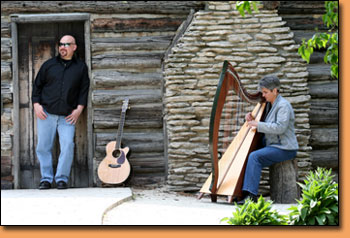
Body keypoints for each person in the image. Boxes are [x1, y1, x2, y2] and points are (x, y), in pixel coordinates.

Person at [32, 35, 90, 189]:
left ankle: (61, 179)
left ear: (74, 47)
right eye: (61, 44)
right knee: (43, 147)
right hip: (46, 113)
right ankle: (46, 179)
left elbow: (84, 91)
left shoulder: (81, 67)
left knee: (68, 145)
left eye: (66, 44)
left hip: (67, 116)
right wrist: (36, 105)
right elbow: (37, 86)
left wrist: (79, 110)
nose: (62, 47)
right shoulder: (49, 65)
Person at [237, 75, 299, 204]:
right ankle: (239, 191)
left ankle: (251, 196)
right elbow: (264, 121)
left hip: (285, 148)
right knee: (246, 153)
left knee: (255, 157)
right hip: (272, 144)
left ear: (275, 91)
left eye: (265, 92)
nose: (263, 95)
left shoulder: (283, 106)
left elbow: (280, 128)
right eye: (262, 92)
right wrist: (251, 117)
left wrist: (257, 124)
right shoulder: (270, 104)